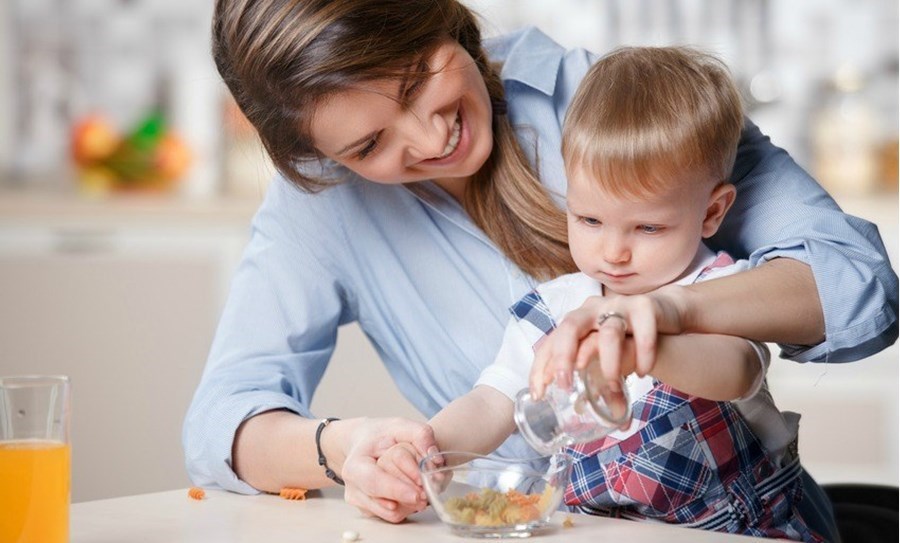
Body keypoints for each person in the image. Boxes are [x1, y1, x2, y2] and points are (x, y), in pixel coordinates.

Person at [184, 0, 897, 538]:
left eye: (413, 84)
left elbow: (856, 285)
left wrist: (668, 315)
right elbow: (221, 424)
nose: (430, 139)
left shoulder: (620, 109)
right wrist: (346, 449)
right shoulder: (324, 200)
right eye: (370, 145)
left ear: (441, 17)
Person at [378, 46, 822, 540]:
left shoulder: (720, 288)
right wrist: (427, 450)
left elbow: (735, 369)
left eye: (648, 227)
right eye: (589, 219)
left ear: (712, 213)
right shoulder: (556, 308)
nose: (613, 252)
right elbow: (490, 403)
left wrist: (641, 349)